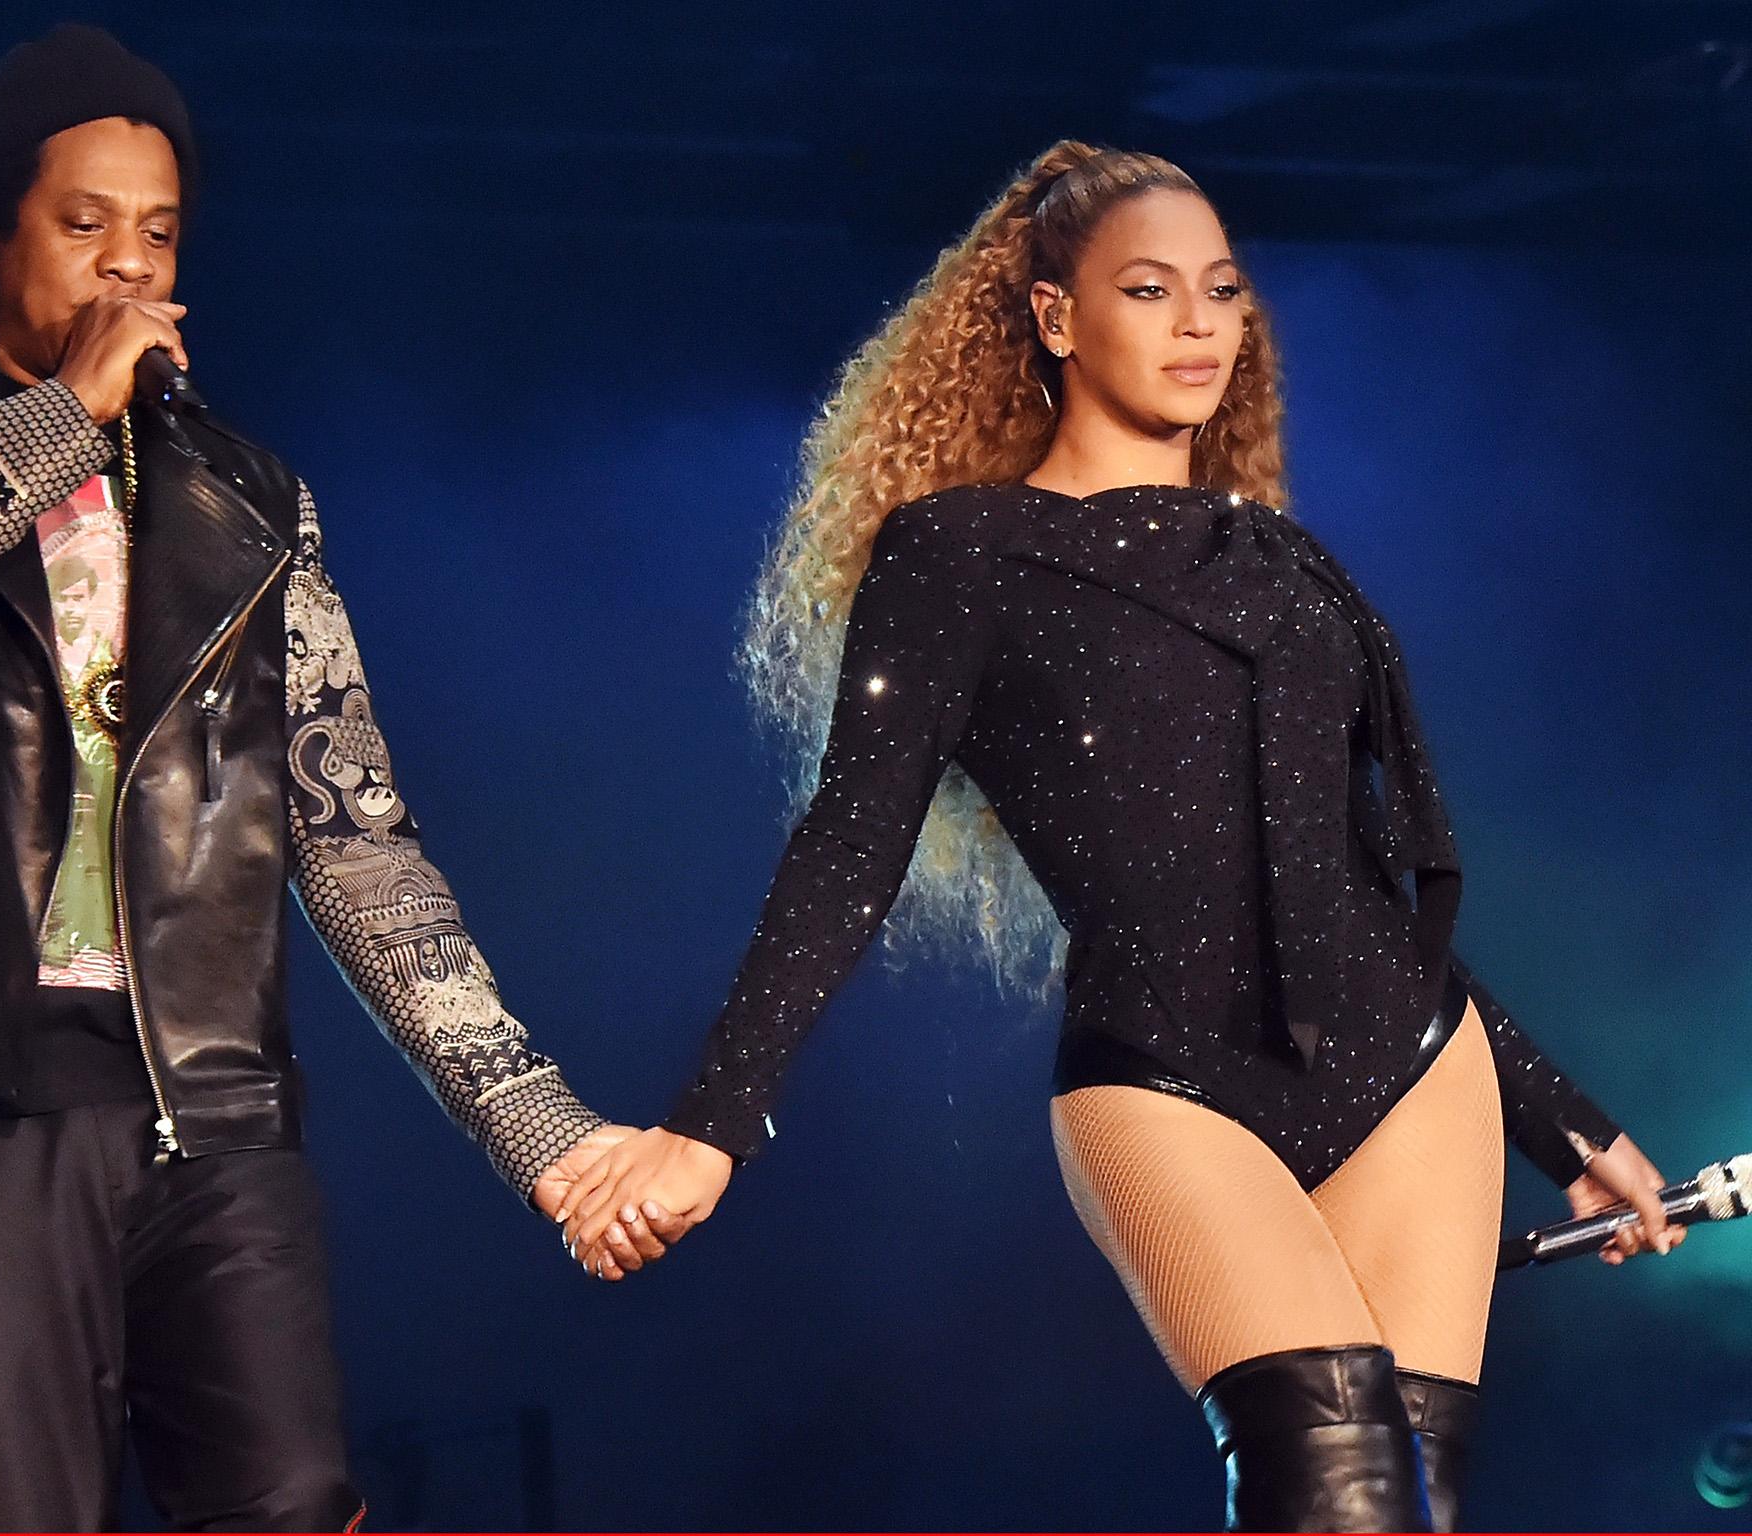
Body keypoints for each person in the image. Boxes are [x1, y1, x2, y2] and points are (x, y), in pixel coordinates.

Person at [559, 140, 1681, 1531]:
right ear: (1052, 317)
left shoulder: (1285, 562)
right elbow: (850, 847)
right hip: (1164, 1082)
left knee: (1418, 1510)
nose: (1201, 322)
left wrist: (1562, 1122)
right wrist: (710, 1126)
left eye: (1220, 289)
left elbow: (1357, 890)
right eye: (1150, 290)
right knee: (1335, 1490)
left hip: (1413, 1072)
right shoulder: (958, 553)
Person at [0, 25, 674, 1532]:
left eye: (154, 234)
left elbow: (355, 832)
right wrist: (55, 427)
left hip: (208, 1104)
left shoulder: (248, 498)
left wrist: (543, 1135)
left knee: (295, 1502)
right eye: (81, 223)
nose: (123, 267)